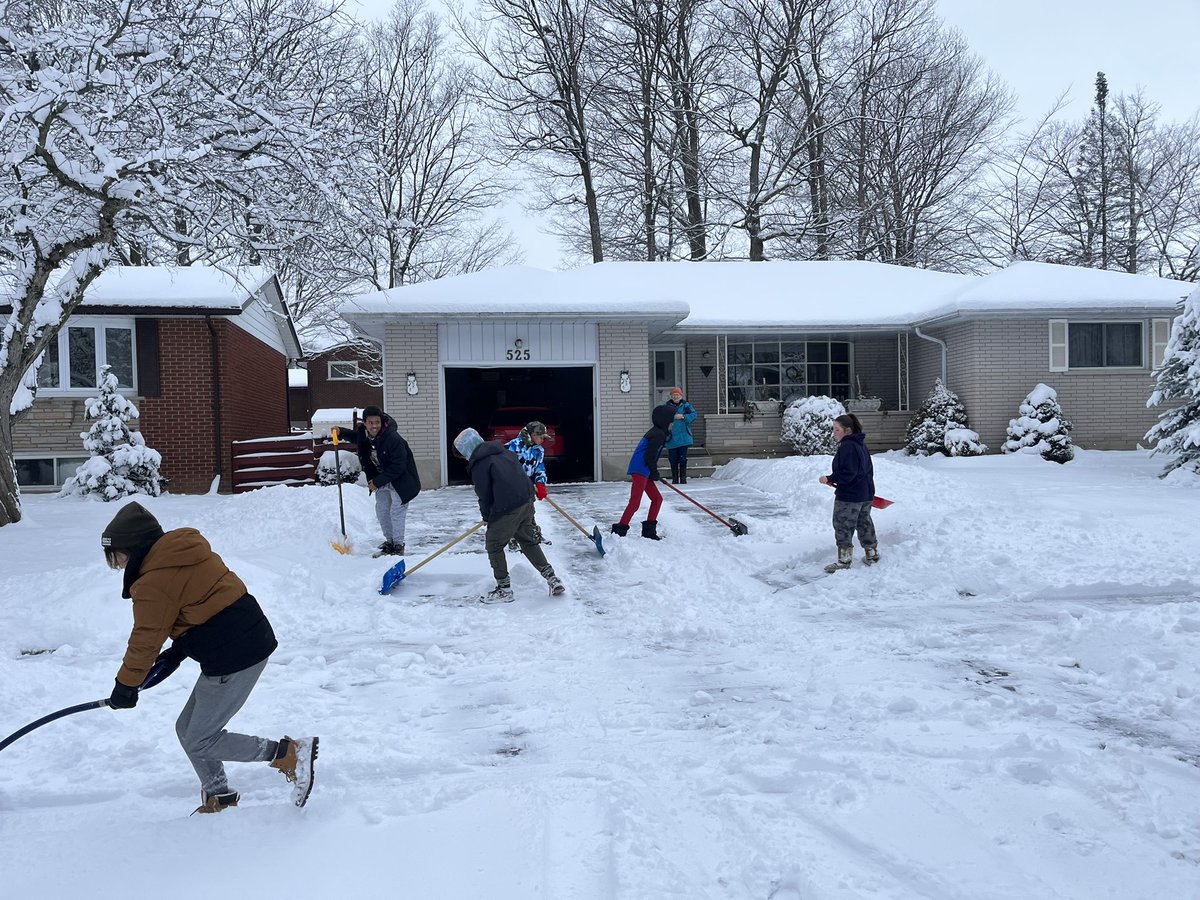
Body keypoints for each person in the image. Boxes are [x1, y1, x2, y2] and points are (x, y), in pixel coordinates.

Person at [100, 501, 317, 814]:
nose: (118, 564)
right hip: (244, 639)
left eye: (118, 555)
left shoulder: (153, 580)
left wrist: (125, 685)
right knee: (187, 729)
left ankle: (288, 754)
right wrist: (180, 648)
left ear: (133, 548)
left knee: (200, 738)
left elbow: (145, 638)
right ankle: (220, 796)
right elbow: (204, 603)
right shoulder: (181, 553)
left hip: (234, 653)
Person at [453, 427, 565, 602]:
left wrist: (487, 516)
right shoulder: (503, 451)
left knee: (494, 545)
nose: (464, 458)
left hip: (508, 507)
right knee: (528, 541)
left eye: (462, 455)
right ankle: (552, 577)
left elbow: (484, 494)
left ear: (467, 449)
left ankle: (504, 590)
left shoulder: (480, 464)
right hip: (526, 501)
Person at [350, 405, 421, 556]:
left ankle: (398, 545)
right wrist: (340, 431)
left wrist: (376, 482)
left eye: (377, 422)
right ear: (365, 423)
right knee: (382, 512)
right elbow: (356, 437)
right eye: (370, 422)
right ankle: (390, 542)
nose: (374, 426)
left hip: (401, 481)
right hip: (382, 478)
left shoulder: (392, 438)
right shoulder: (364, 433)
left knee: (396, 512)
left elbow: (398, 466)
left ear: (382, 422)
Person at [818, 413, 879, 573]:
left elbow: (848, 473)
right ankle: (872, 554)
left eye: (837, 429)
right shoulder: (860, 444)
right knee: (863, 522)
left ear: (848, 430)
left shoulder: (848, 446)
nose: (834, 433)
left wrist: (830, 478)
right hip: (865, 493)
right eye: (833, 429)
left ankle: (844, 560)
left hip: (850, 496)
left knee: (843, 524)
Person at [612, 404, 673, 540]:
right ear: (664, 420)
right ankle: (619, 532)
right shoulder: (658, 434)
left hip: (644, 468)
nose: (672, 424)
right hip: (641, 469)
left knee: (657, 499)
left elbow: (651, 455)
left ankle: (649, 532)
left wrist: (652, 471)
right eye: (671, 420)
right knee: (635, 502)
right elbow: (650, 455)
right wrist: (654, 471)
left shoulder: (658, 432)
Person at [505, 420, 552, 551]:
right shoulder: (512, 447)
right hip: (511, 487)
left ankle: (533, 533)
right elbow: (505, 469)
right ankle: (512, 538)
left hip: (528, 487)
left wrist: (540, 484)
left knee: (529, 510)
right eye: (542, 437)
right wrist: (520, 482)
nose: (543, 440)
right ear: (533, 435)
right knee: (513, 513)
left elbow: (540, 468)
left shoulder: (538, 450)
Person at [664, 387, 698, 484]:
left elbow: (694, 414)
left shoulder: (686, 405)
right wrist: (671, 417)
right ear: (671, 396)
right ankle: (675, 479)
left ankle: (683, 479)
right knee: (672, 459)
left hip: (683, 437)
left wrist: (683, 416)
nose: (675, 397)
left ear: (681, 396)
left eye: (677, 395)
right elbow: (662, 417)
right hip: (671, 437)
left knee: (683, 458)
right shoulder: (667, 406)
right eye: (674, 395)